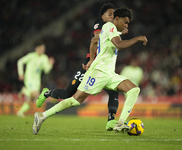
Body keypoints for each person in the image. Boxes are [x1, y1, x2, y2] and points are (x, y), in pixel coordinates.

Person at [32, 6, 148, 135]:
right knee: (75, 100)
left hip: (109, 74)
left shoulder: (113, 30)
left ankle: (120, 123)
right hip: (98, 72)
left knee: (134, 90)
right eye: (125, 22)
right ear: (117, 19)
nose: (127, 25)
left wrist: (91, 59)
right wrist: (137, 38)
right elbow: (119, 45)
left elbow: (94, 41)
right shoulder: (109, 27)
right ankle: (42, 116)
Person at [16, 41, 55, 117]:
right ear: (36, 48)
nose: (42, 50)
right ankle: (25, 90)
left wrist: (50, 64)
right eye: (40, 48)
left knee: (32, 98)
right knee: (35, 94)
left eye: (43, 49)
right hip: (29, 79)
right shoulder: (31, 56)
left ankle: (20, 112)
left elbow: (46, 70)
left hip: (37, 81)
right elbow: (20, 62)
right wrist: (21, 73)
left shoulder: (44, 58)